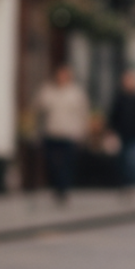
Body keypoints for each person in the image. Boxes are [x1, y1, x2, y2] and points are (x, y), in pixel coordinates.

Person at [33, 64, 89, 202]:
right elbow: (37, 108)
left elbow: (83, 113)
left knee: (67, 163)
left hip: (70, 133)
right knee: (52, 163)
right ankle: (57, 186)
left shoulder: (76, 93)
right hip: (51, 132)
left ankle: (64, 189)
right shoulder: (48, 90)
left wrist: (83, 131)